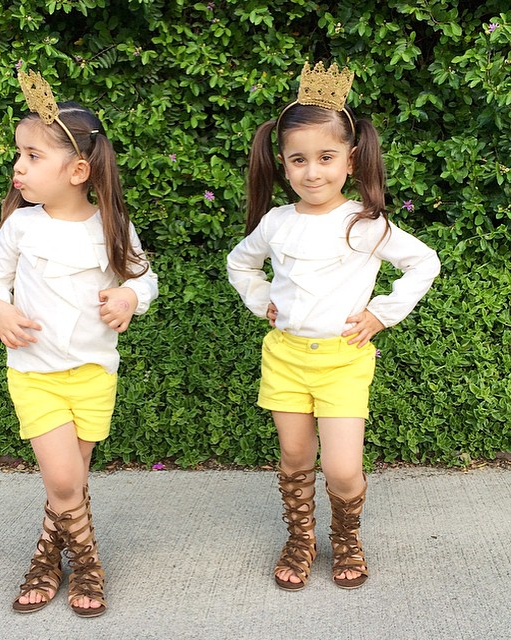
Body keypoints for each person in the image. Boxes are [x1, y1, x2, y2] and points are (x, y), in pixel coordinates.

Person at [227, 61, 440, 591]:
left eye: (326, 157)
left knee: (343, 468)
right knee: (295, 457)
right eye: (298, 160)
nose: (312, 172)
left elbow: (424, 262)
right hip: (286, 357)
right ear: (283, 164)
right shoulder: (277, 222)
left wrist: (380, 313)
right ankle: (301, 539)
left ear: (351, 159)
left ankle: (346, 536)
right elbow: (240, 263)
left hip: (344, 360)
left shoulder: (364, 223)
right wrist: (262, 301)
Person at [0, 70, 158, 617]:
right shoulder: (21, 227)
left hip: (94, 374)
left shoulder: (112, 225)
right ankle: (89, 562)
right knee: (63, 477)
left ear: (78, 171)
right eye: (19, 154)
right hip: (35, 374)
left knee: (68, 482)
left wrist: (129, 296)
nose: (18, 167)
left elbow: (144, 278)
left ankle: (46, 555)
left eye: (32, 156)